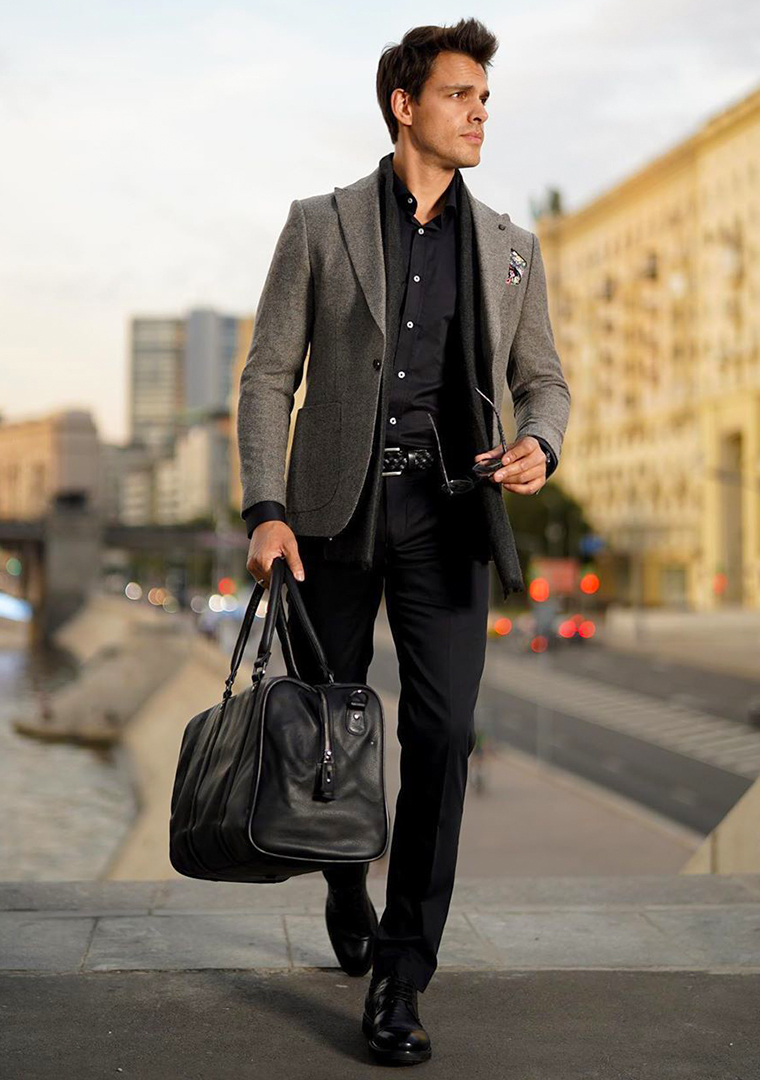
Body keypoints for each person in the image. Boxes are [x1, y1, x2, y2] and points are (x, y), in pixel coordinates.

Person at [236, 17, 571, 1066]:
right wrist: (265, 507)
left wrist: (541, 448)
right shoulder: (319, 224)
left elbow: (543, 381)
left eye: (483, 98)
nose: (479, 113)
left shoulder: (511, 248)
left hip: (451, 519)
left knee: (440, 738)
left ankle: (401, 973)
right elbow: (264, 376)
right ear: (405, 104)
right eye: (461, 95)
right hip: (333, 520)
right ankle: (343, 878)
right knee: (331, 734)